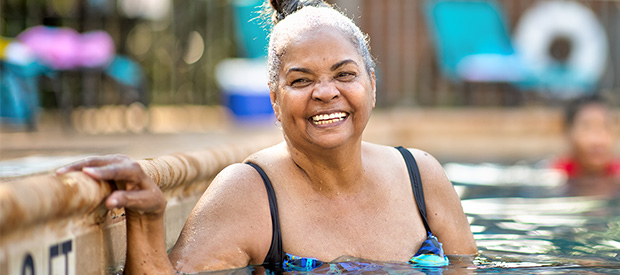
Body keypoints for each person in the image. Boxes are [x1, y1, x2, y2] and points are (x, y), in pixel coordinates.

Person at [56, 0, 477, 273]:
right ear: (275, 101)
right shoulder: (249, 194)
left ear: (372, 83)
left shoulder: (421, 176)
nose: (326, 92)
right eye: (301, 80)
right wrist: (148, 221)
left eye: (344, 74)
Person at [550, 94, 620, 196]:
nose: (597, 140)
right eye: (586, 127)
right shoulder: (556, 175)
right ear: (568, 132)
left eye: (606, 126)